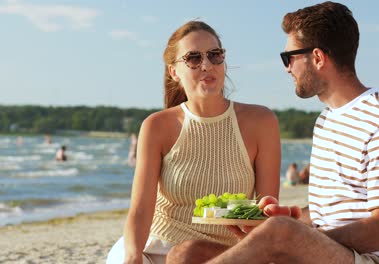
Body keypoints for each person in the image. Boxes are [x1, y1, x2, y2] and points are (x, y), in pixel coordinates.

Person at [166, 2, 379, 264]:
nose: (287, 68)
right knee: (185, 254)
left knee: (280, 233)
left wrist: (288, 239)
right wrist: (282, 220)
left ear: (317, 58)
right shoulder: (327, 120)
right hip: (332, 253)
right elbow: (327, 214)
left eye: (289, 57)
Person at [106, 20, 281, 264]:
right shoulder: (156, 126)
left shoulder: (261, 121)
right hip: (157, 247)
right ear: (174, 71)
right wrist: (133, 256)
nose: (207, 65)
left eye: (214, 55)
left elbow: (266, 212)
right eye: (193, 58)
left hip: (223, 254)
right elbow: (141, 208)